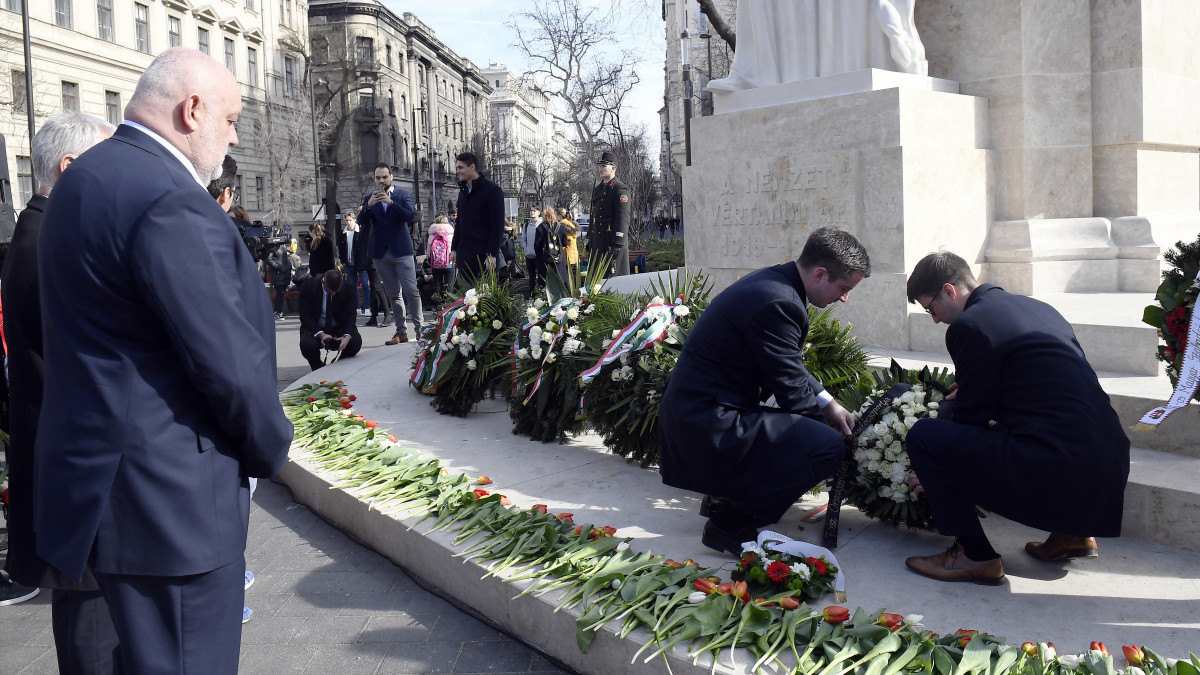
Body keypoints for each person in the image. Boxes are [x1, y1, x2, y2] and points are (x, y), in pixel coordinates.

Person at [35, 48, 293, 673]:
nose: (232, 138)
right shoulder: (168, 199)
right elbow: (227, 363)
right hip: (170, 513)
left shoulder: (82, 181)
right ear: (192, 109)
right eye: (230, 120)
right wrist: (270, 450)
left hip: (98, 495)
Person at [901, 252, 1130, 585]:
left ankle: (973, 556)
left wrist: (934, 470)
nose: (934, 319)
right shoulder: (1038, 308)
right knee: (960, 414)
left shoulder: (968, 325)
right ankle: (1074, 534)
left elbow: (972, 416)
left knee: (925, 436)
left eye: (929, 309)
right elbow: (1040, 386)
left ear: (949, 292)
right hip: (1109, 461)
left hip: (1061, 467)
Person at [657, 227, 870, 555]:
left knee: (808, 434)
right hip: (706, 422)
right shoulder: (779, 300)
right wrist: (830, 435)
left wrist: (828, 403)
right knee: (824, 446)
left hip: (708, 409)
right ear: (821, 273)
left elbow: (785, 365)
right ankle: (729, 523)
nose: (844, 298)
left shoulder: (778, 284)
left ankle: (730, 496)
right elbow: (790, 389)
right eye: (844, 288)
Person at [1, 112, 120, 670]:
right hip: (72, 471)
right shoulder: (48, 241)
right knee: (90, 635)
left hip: (64, 464)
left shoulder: (43, 229)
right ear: (70, 168)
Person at [360, 163, 421, 346]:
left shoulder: (403, 195)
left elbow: (410, 216)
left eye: (384, 177)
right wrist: (368, 207)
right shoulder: (369, 198)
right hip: (380, 253)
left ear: (391, 176)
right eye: (378, 177)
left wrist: (391, 203)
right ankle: (401, 332)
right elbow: (361, 222)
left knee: (411, 291)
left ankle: (420, 331)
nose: (381, 181)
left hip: (402, 251)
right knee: (394, 294)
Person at [450, 152, 504, 284]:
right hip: (465, 256)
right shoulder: (463, 191)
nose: (458, 171)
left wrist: (491, 253)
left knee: (486, 300)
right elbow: (460, 223)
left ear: (472, 167)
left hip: (484, 256)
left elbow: (497, 226)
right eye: (457, 168)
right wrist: (454, 248)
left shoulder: (492, 190)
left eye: (461, 168)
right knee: (466, 300)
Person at [298, 268, 363, 370]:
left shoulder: (348, 288)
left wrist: (347, 336)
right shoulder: (309, 286)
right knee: (307, 345)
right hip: (317, 326)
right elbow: (304, 315)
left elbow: (351, 315)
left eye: (336, 291)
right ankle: (317, 367)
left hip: (339, 325)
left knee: (355, 342)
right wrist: (321, 334)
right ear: (323, 282)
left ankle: (340, 363)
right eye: (330, 291)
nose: (333, 294)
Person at [588, 151, 631, 277]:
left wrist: (618, 242)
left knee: (613, 278)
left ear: (613, 168)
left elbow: (622, 217)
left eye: (604, 166)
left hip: (611, 240)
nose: (600, 169)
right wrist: (590, 238)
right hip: (598, 242)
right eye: (600, 166)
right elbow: (593, 215)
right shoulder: (598, 189)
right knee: (597, 278)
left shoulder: (620, 189)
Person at [343, 210, 371, 316]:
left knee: (365, 284)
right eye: (347, 220)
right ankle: (357, 307)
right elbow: (342, 249)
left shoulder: (360, 231)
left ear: (354, 220)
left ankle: (367, 307)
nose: (348, 222)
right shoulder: (344, 233)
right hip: (349, 263)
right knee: (352, 286)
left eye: (350, 220)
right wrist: (344, 260)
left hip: (361, 263)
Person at [534, 206, 567, 289]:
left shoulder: (540, 228)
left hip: (544, 261)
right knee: (559, 284)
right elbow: (565, 243)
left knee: (545, 284)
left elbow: (537, 246)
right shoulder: (560, 227)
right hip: (558, 261)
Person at [428, 214, 455, 305]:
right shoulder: (451, 234)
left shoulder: (432, 235)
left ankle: (438, 306)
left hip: (435, 263)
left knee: (437, 285)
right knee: (449, 285)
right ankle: (448, 305)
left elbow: (429, 250)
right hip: (449, 263)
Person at [559, 208, 580, 279]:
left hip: (566, 254)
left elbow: (564, 241)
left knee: (565, 277)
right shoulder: (570, 224)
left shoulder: (562, 224)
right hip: (572, 254)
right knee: (569, 276)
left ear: (560, 216)